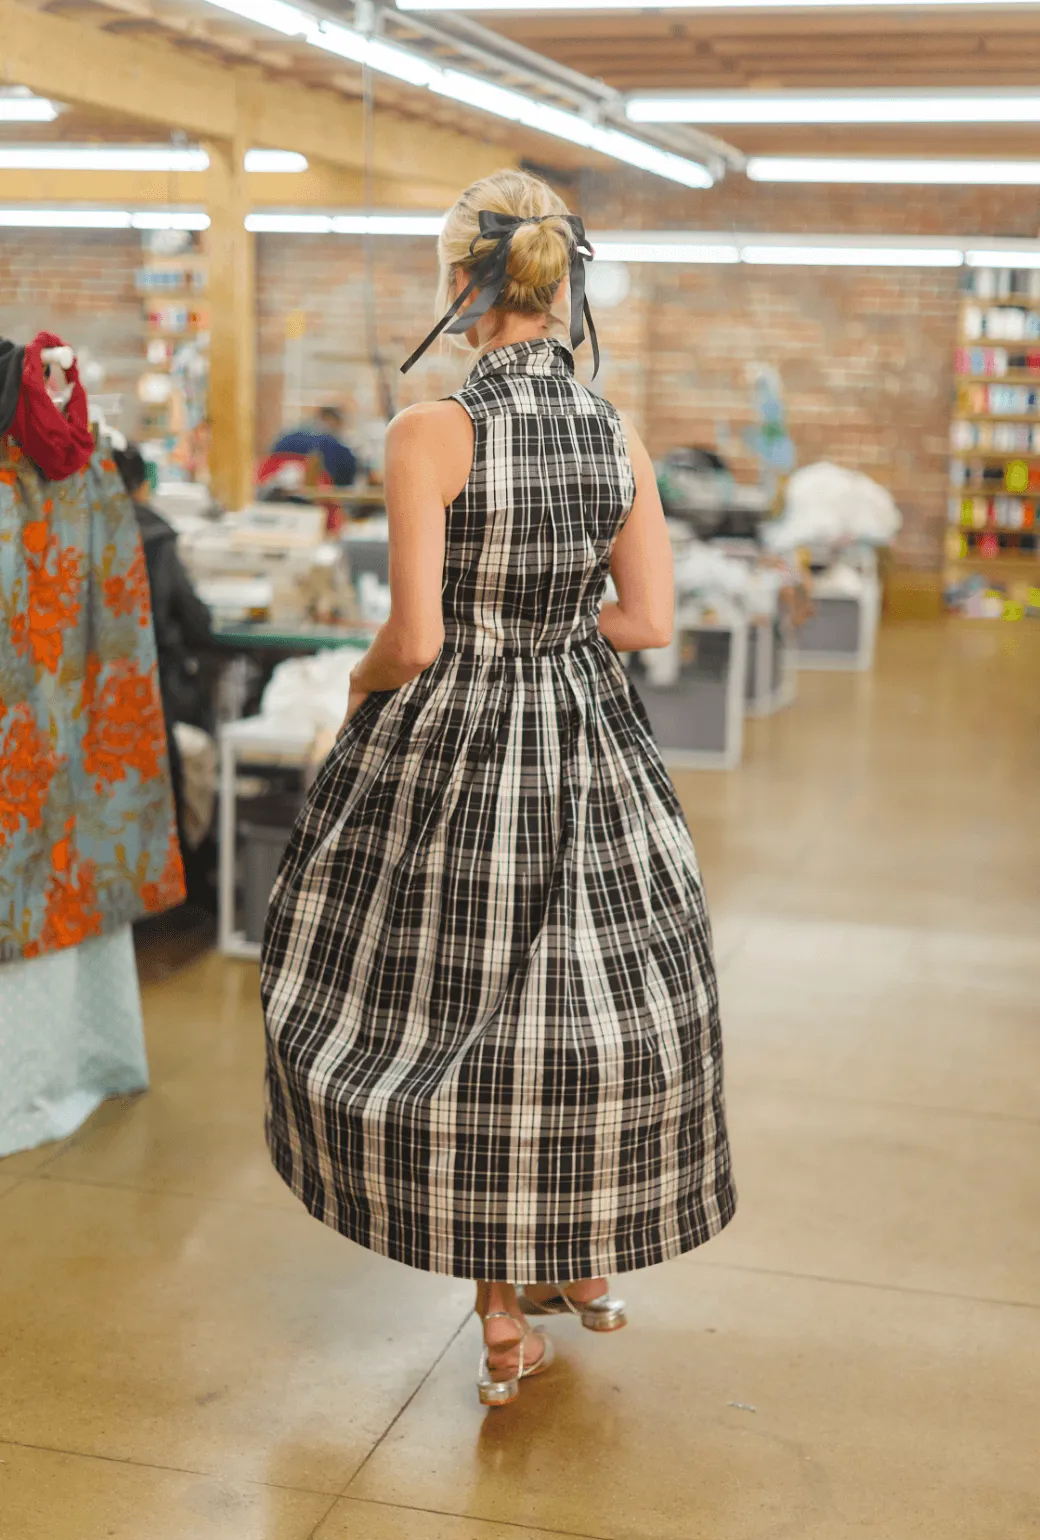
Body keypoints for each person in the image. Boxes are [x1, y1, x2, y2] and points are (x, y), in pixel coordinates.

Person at [261, 170, 735, 1408]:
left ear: (460, 284)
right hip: (585, 739)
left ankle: (496, 1319)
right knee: (588, 1013)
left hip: (457, 743)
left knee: (448, 1017)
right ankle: (580, 1266)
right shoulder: (613, 429)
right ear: (560, 282)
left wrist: (361, 689)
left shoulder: (431, 430)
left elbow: (412, 639)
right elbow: (646, 619)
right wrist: (552, 622)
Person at [113, 447, 214, 903]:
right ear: (142, 485)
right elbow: (197, 624)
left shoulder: (70, 532)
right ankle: (196, 868)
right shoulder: (157, 535)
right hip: (157, 692)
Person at [270, 405, 357, 487]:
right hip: (316, 493)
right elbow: (349, 474)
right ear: (332, 420)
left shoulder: (289, 436)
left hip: (275, 487)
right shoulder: (330, 444)